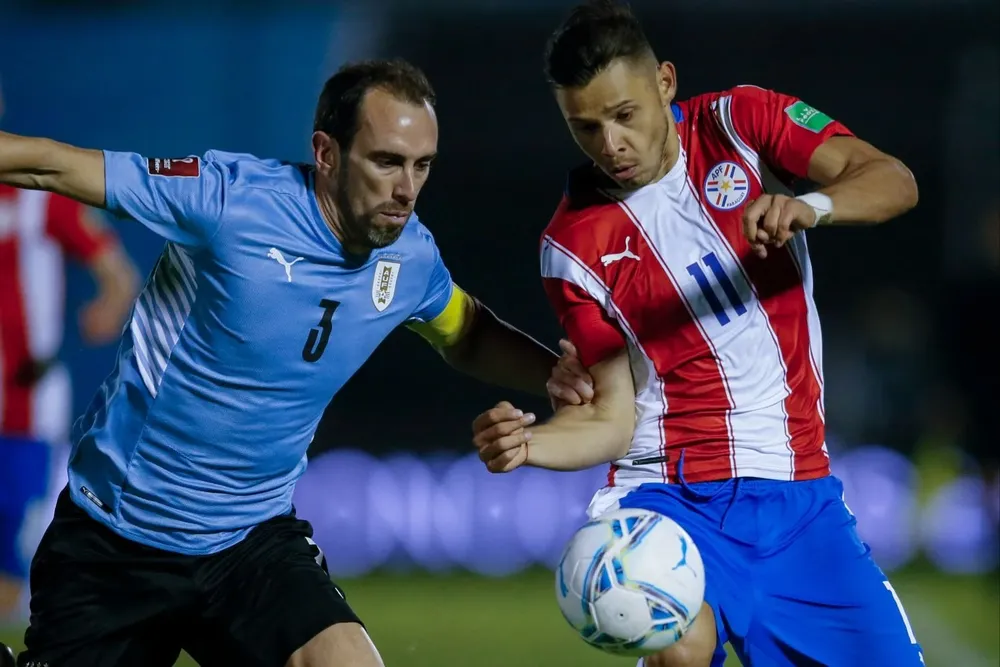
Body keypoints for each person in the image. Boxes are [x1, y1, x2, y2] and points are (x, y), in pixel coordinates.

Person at [0, 59, 582, 667]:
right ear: (326, 153)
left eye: (422, 164)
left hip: (250, 543)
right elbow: (52, 165)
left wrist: (552, 375)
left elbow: (467, 334)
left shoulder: (409, 258)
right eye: (386, 161)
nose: (406, 189)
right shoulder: (229, 201)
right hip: (117, 541)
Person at [471, 2, 923, 666]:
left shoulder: (740, 124)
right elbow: (614, 419)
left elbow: (893, 180)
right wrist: (526, 443)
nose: (610, 144)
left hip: (799, 497)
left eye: (623, 116)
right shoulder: (572, 247)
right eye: (585, 127)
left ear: (664, 82)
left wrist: (810, 205)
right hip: (669, 498)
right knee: (679, 643)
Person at [0, 76, 139, 621]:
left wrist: (111, 300)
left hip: (23, 395)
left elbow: (115, 267)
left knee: (11, 534)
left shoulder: (36, 194)